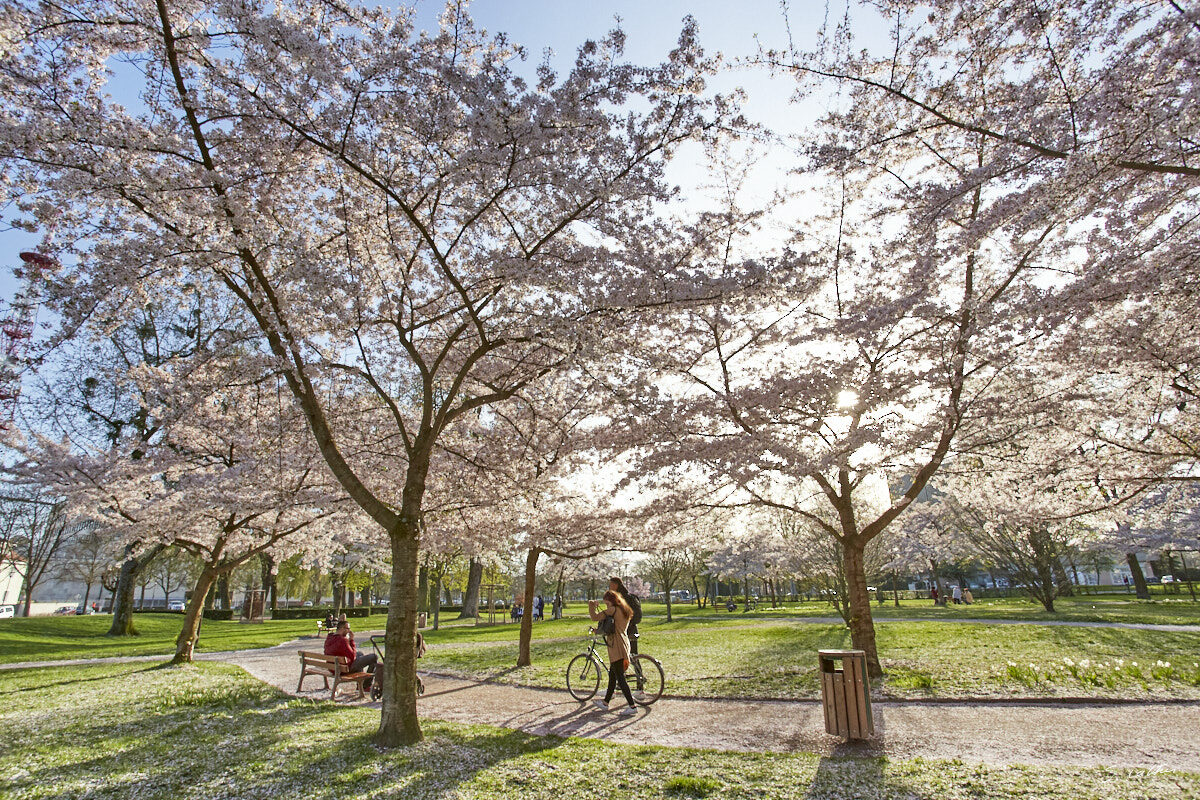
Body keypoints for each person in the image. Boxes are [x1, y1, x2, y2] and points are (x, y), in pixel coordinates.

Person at [588, 590, 637, 716]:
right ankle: (605, 703)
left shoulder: (613, 610)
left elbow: (594, 617)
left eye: (607, 603)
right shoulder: (624, 609)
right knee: (612, 675)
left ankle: (632, 706)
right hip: (623, 642)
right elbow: (612, 626)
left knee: (620, 677)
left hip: (616, 646)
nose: (606, 606)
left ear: (612, 601)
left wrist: (591, 605)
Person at [324, 620, 378, 688]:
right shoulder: (343, 640)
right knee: (374, 657)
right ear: (342, 629)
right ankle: (366, 685)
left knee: (360, 653)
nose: (349, 631)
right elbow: (353, 656)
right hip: (343, 670)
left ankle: (360, 684)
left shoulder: (330, 637)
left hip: (333, 668)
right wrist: (351, 640)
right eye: (348, 629)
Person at [609, 577, 642, 656]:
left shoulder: (619, 598)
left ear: (615, 585)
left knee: (621, 656)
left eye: (611, 585)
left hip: (623, 629)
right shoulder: (629, 596)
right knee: (633, 655)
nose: (610, 587)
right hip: (633, 628)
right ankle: (636, 664)